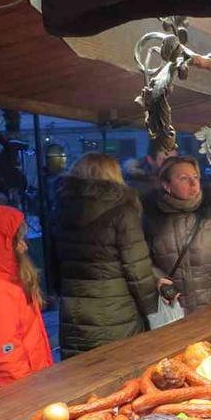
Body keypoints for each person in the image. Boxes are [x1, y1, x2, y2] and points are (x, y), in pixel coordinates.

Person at [52, 153, 159, 358]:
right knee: (123, 372)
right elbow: (137, 270)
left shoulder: (59, 211)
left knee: (82, 376)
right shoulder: (123, 211)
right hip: (117, 312)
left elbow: (54, 269)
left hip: (73, 313)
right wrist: (150, 310)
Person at [144, 155, 211, 314]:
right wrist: (159, 279)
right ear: (167, 186)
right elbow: (145, 262)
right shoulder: (153, 220)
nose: (193, 184)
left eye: (195, 177)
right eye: (183, 179)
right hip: (177, 312)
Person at [0, 203, 53, 387]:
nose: (24, 246)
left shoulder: (9, 279)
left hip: (36, 381)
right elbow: (4, 361)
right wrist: (29, 396)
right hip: (25, 391)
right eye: (16, 240)